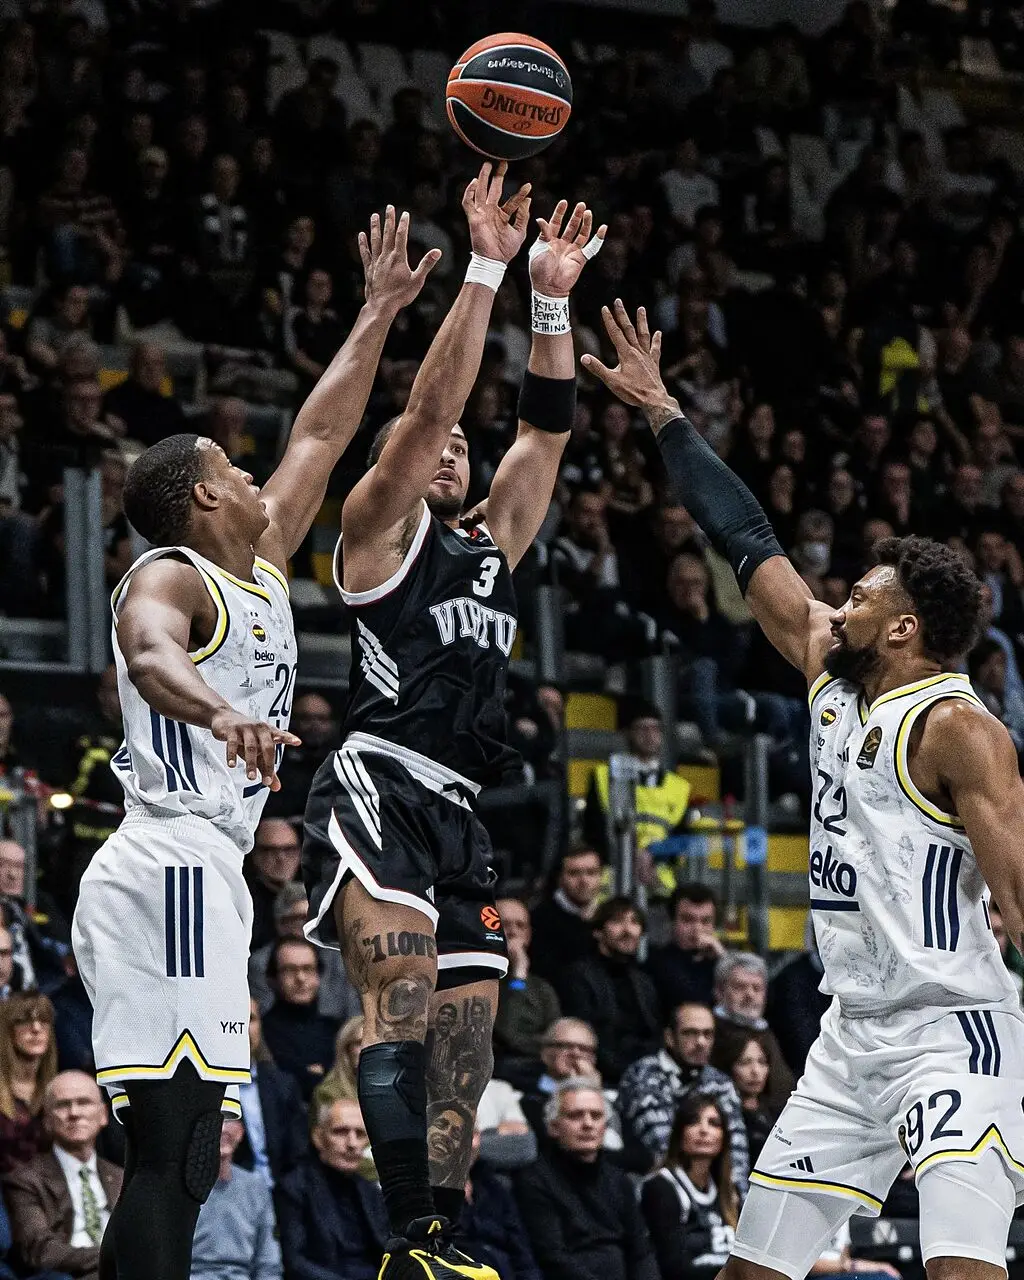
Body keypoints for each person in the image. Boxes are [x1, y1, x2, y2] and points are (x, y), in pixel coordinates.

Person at [584, 298, 1024, 1278]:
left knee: (961, 1267)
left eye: (861, 596)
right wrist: (662, 409)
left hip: (954, 1033)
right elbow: (747, 539)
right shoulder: (831, 669)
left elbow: (1023, 903)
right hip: (849, 1035)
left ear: (904, 630)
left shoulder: (960, 729)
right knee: (752, 1270)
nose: (838, 601)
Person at [70, 205, 440, 1280]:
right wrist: (215, 707)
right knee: (181, 1145)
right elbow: (147, 655)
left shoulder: (263, 554)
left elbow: (322, 432)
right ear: (202, 494)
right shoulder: (169, 575)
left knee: (185, 1151)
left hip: (207, 870)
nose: (254, 469)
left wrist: (376, 310)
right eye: (234, 461)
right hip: (170, 858)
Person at [301, 160, 606, 1280]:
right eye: (437, 445)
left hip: (462, 809)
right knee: (405, 1005)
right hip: (381, 778)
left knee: (466, 1050)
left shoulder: (492, 548)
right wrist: (482, 265)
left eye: (462, 454)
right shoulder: (378, 534)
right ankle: (404, 1241)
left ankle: (441, 1238)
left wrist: (552, 295)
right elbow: (435, 406)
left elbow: (546, 432)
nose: (456, 448)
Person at [515, 1077, 659, 1280]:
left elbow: (641, 1252)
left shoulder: (619, 1180)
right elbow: (552, 1257)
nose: (588, 1124)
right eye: (575, 1116)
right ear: (553, 1127)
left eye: (596, 1115)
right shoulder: (534, 1180)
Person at [2, 1071, 122, 1280]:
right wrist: (114, 1258)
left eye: (84, 1102)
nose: (74, 1113)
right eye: (62, 1105)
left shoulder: (122, 1177)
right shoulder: (24, 1180)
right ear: (46, 1120)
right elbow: (41, 1251)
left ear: (103, 1115)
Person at [617, 1001, 748, 1190]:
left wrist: (737, 1200)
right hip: (655, 1189)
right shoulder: (644, 1075)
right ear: (670, 1038)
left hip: (709, 1189)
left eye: (707, 1034)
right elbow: (663, 1150)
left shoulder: (720, 1082)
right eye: (690, 1033)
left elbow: (737, 1153)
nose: (701, 1042)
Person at [277, 1098, 389, 1280]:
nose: (352, 1143)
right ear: (318, 1138)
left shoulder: (370, 1192)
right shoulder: (295, 1187)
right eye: (341, 1132)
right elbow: (294, 1262)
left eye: (360, 1134)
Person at [558, 897, 662, 1085]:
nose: (628, 930)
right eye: (617, 922)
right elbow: (586, 1035)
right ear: (598, 931)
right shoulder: (579, 976)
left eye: (634, 922)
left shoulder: (644, 981)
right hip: (600, 1075)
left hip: (644, 1075)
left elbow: (654, 1034)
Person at [640, 1094, 739, 1280]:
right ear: (680, 1133)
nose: (704, 1130)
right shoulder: (661, 1187)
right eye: (694, 1122)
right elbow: (671, 1267)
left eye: (714, 1123)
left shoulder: (729, 1192)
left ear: (724, 1136)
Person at [248, 882, 360, 1022]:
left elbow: (353, 1011)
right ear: (280, 923)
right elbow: (260, 1015)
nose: (308, 925)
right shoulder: (260, 963)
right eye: (301, 918)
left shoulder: (339, 958)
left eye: (313, 918)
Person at [189, 1117, 282, 1280]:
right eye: (217, 1120)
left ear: (241, 1132)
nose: (223, 1129)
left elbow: (268, 1263)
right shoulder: (180, 1187)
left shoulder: (255, 1187)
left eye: (230, 1120)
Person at [235, 999, 307, 1188]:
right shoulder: (207, 1088)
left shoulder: (283, 1085)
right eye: (235, 1019)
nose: (243, 1028)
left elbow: (298, 1153)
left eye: (250, 1019)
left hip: (282, 1194)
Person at [492, 896, 561, 1091]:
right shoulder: (479, 982)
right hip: (498, 1076)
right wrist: (518, 977)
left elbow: (554, 1042)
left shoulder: (542, 988)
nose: (513, 932)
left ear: (528, 935)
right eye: (504, 924)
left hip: (539, 1071)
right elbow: (508, 1033)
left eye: (520, 926)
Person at [710, 954, 794, 1110]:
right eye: (740, 987)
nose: (750, 995)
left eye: (757, 988)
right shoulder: (710, 1032)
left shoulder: (766, 1031)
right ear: (719, 992)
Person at [260, 938, 339, 1102]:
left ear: (319, 976)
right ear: (272, 979)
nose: (301, 978)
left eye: (308, 969)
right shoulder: (261, 1033)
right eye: (289, 970)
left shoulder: (336, 1031)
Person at [0, 993, 58, 1175]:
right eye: (24, 1021)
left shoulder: (60, 1089)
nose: (36, 1028)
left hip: (49, 1194)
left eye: (44, 1020)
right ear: (7, 1030)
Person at [645, 884, 725, 1012]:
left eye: (705, 921)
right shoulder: (656, 963)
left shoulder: (720, 961)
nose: (697, 929)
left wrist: (723, 960)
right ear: (672, 922)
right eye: (688, 920)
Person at [530, 846, 603, 984]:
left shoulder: (608, 918)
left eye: (591, 873)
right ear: (560, 878)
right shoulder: (539, 920)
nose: (584, 881)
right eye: (574, 873)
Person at [718, 1034, 778, 1165]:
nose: (755, 1071)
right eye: (745, 1063)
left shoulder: (777, 1114)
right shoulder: (722, 1116)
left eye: (762, 1062)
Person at [245, 819, 303, 952]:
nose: (281, 858)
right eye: (270, 850)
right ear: (255, 854)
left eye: (289, 849)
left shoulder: (318, 894)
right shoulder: (244, 900)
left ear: (300, 853)